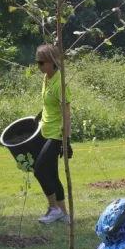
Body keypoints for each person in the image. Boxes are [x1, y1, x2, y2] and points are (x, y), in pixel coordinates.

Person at [33, 43, 71, 224]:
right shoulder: (46, 79)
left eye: (41, 63)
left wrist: (66, 140)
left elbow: (66, 112)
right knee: (52, 174)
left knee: (39, 170)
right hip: (44, 130)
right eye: (37, 63)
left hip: (56, 134)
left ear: (52, 62)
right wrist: (38, 116)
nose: (38, 66)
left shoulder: (60, 83)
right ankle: (64, 214)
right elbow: (49, 104)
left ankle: (54, 208)